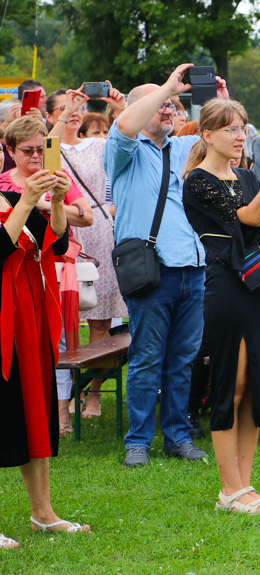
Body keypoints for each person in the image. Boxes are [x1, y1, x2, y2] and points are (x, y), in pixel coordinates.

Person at [104, 63, 229, 467]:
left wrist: (220, 101)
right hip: (151, 270)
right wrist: (165, 88)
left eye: (173, 104)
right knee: (146, 359)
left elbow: (226, 145)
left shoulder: (184, 149)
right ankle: (137, 441)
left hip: (193, 268)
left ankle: (177, 436)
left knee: (183, 359)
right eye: (161, 104)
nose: (169, 108)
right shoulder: (122, 149)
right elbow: (126, 124)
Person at [183, 99, 260, 513]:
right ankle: (228, 489)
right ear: (207, 135)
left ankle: (245, 486)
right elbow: (248, 218)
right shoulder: (197, 182)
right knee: (230, 386)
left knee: (254, 385)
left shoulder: (250, 176)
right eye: (231, 129)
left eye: (243, 127)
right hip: (228, 288)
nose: (239, 136)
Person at [1, 121, 90, 545]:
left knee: (36, 411)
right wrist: (28, 198)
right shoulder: (4, 191)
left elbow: (55, 241)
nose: (36, 157)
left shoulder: (37, 191)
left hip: (34, 312)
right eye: (28, 150)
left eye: (42, 150)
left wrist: (55, 200)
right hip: (3, 313)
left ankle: (43, 513)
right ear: (11, 151)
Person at [47, 87, 128, 419]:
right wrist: (64, 116)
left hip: (99, 230)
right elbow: (49, 149)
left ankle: (93, 394)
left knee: (100, 318)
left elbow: (126, 144)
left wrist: (121, 109)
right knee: (64, 324)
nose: (75, 110)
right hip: (62, 227)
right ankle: (62, 404)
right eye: (65, 108)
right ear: (50, 116)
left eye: (79, 105)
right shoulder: (47, 148)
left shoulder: (97, 145)